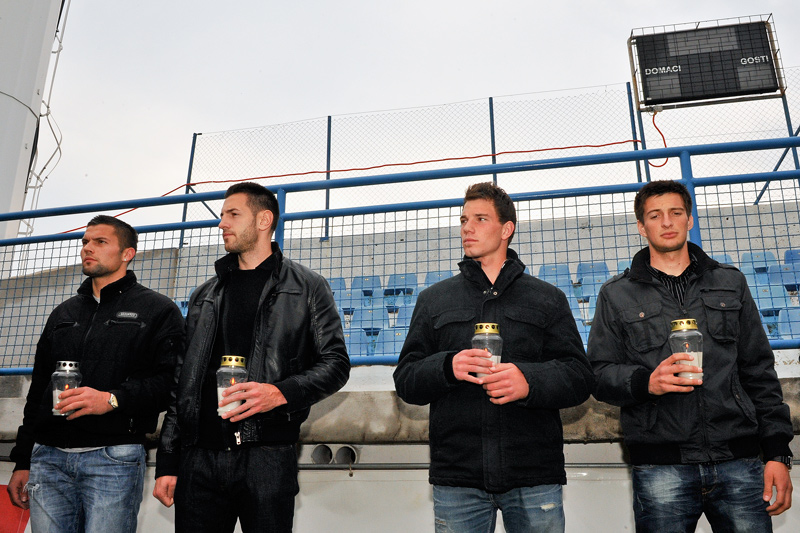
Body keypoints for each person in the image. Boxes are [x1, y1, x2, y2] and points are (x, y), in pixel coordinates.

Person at [587, 180, 794, 532]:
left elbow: (758, 370)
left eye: (675, 212)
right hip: (660, 466)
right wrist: (646, 382)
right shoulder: (616, 294)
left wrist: (777, 452)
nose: (667, 222)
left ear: (689, 219)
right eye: (655, 215)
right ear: (642, 226)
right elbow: (599, 373)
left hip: (739, 461)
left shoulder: (730, 282)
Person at [393, 182, 595, 532]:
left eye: (480, 219)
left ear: (506, 229)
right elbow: (406, 379)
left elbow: (579, 376)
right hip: (458, 476)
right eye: (464, 220)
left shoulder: (547, 298)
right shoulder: (433, 300)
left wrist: (528, 381)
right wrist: (447, 366)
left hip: (533, 473)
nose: (467, 228)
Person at [153, 182, 350, 532]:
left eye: (233, 214)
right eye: (222, 215)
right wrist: (168, 460)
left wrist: (280, 392)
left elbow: (335, 363)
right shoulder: (204, 295)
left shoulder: (307, 286)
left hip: (267, 458)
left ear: (263, 220)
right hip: (199, 459)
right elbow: (182, 382)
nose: (222, 223)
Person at [6, 215, 184, 533]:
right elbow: (38, 391)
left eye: (100, 242)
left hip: (113, 458)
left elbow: (171, 384)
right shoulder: (63, 312)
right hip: (48, 458)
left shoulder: (158, 310)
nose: (88, 248)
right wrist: (23, 459)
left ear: (127, 253)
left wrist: (112, 399)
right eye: (86, 241)